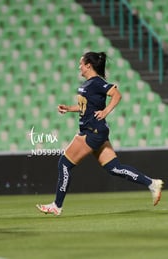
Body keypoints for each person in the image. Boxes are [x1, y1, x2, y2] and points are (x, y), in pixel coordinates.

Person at [36, 51, 164, 216]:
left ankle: (57, 206)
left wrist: (105, 111)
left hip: (92, 132)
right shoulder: (87, 84)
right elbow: (86, 107)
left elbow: (117, 95)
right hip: (97, 130)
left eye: (81, 63)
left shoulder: (97, 82)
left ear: (88, 65)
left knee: (64, 164)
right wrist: (69, 108)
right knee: (114, 168)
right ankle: (152, 183)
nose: (79, 66)